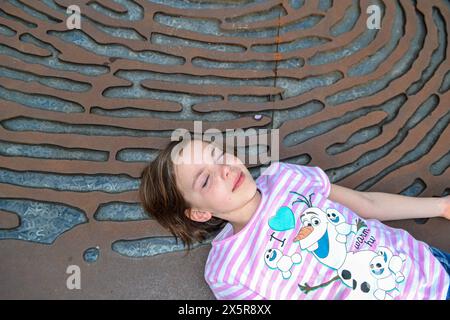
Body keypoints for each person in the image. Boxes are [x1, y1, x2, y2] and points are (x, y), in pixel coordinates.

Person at [139, 137, 450, 300]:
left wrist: (440, 207)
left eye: (219, 156)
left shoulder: (285, 177)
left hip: (432, 272)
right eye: (205, 181)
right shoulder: (227, 271)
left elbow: (366, 204)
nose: (224, 169)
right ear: (200, 213)